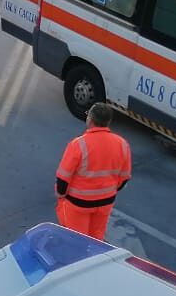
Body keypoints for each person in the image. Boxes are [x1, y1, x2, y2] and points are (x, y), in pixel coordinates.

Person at [54, 102, 132, 240]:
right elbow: (124, 178)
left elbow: (63, 180)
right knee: (97, 237)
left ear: (89, 119)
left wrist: (61, 195)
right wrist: (107, 191)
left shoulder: (78, 144)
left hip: (78, 203)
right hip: (105, 202)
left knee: (77, 239)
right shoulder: (122, 144)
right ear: (108, 122)